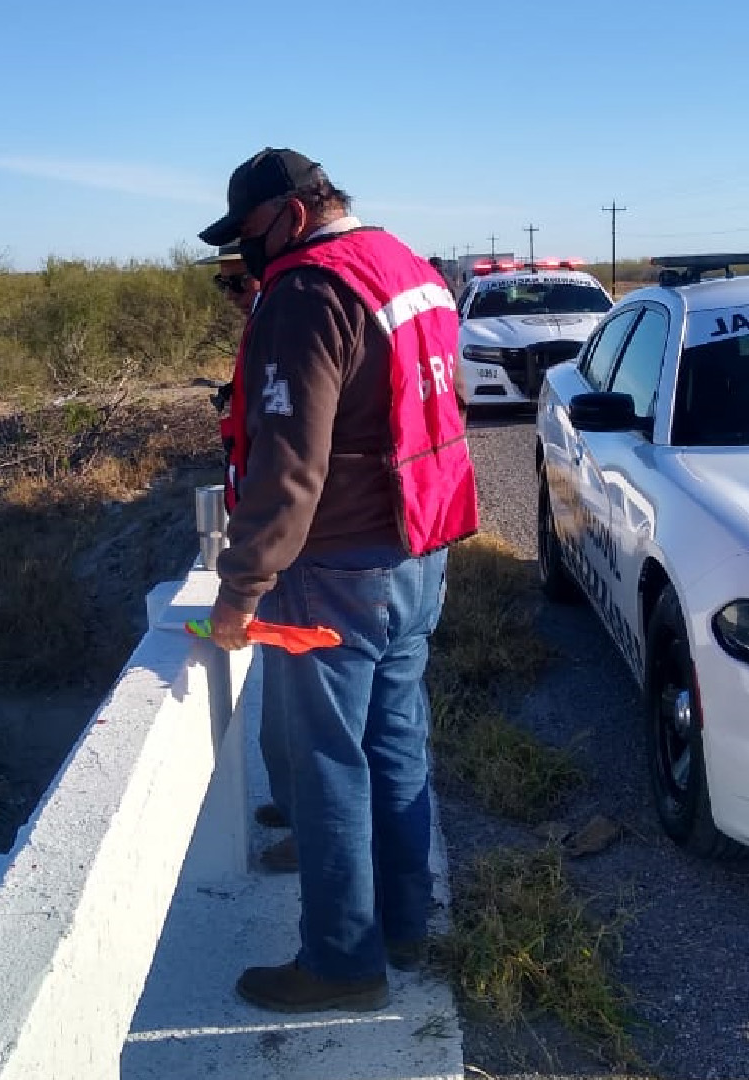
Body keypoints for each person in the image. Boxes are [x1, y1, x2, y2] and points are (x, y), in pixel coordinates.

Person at [197, 147, 477, 1013]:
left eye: (248, 233)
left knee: (327, 764)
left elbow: (289, 459)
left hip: (338, 565)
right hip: (419, 550)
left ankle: (342, 964)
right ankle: (404, 923)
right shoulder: (407, 267)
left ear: (292, 210)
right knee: (394, 746)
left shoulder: (308, 290)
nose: (247, 256)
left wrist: (240, 591)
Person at [198, 242, 295, 869]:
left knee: (309, 720)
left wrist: (241, 586)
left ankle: (312, 831)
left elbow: (290, 464)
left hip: (294, 553)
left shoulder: (287, 328)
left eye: (237, 285)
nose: (231, 298)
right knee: (285, 710)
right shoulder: (265, 329)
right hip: (279, 547)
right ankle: (293, 802)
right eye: (223, 287)